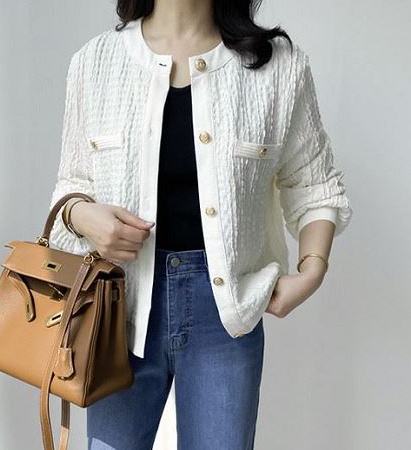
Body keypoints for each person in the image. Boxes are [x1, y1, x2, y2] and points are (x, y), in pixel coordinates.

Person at [48, 1, 353, 448]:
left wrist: (312, 270)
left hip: (225, 316)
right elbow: (71, 185)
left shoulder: (278, 67)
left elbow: (315, 185)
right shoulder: (95, 62)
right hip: (117, 312)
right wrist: (82, 215)